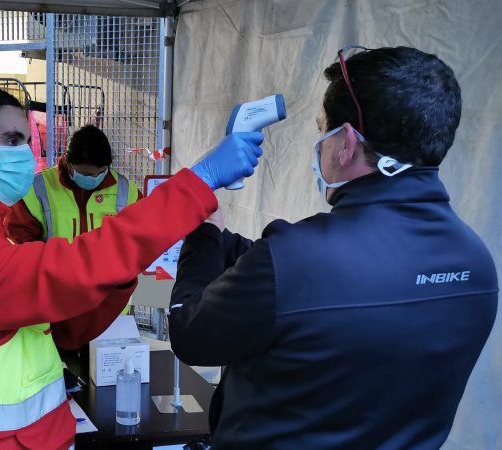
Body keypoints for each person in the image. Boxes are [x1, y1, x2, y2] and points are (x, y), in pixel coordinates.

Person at [0, 83, 264, 450]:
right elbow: (73, 265)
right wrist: (199, 182)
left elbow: (66, 332)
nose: (24, 154)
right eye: (13, 140)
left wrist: (120, 273)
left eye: (26, 142)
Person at [168, 46, 498, 449]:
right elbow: (334, 287)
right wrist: (232, 246)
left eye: (321, 130)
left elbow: (190, 334)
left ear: (345, 143)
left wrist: (203, 234)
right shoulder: (476, 265)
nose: (319, 144)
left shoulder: (293, 260)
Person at [8, 124, 143, 244]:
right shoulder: (38, 188)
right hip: (57, 271)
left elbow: (140, 236)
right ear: (68, 162)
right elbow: (19, 234)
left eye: (102, 172)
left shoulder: (127, 191)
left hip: (110, 272)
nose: (95, 178)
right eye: (86, 174)